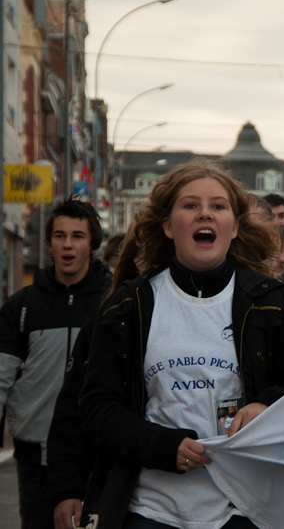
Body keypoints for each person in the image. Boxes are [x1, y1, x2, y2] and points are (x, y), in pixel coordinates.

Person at [80, 159, 284, 529]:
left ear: (235, 226)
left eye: (218, 206)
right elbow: (98, 408)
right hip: (153, 511)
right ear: (168, 226)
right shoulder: (130, 305)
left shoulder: (271, 301)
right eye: (190, 205)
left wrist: (264, 403)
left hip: (243, 509)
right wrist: (161, 445)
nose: (204, 214)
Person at [0, 196, 110, 529]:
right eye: (59, 235)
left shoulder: (113, 302)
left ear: (92, 244)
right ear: (49, 243)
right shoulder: (21, 306)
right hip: (37, 453)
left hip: (98, 452)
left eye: (77, 236)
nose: (67, 244)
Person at [45, 222, 143, 529]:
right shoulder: (107, 322)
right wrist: (67, 489)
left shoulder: (234, 312)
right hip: (121, 491)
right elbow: (74, 413)